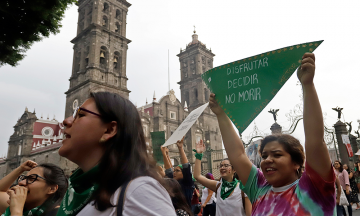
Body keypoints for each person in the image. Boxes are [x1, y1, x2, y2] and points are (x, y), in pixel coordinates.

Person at [209, 53, 336, 215]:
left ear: (296, 162)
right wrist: (221, 114)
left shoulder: (313, 190)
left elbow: (315, 141)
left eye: (276, 154)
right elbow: (238, 155)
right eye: (264, 156)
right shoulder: (259, 189)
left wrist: (308, 85)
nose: (268, 160)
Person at [58, 91, 175, 216]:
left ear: (109, 130)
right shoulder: (80, 189)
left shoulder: (139, 192)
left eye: (80, 115)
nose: (66, 121)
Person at [194, 140, 251, 216]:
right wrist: (199, 155)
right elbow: (197, 176)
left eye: (226, 166)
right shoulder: (218, 186)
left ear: (234, 170)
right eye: (221, 166)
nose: (222, 168)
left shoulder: (243, 189)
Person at [0, 160, 68, 216]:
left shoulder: (59, 214)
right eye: (24, 178)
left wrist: (17, 210)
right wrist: (20, 169)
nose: (21, 183)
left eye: (32, 179)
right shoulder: (23, 208)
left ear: (52, 189)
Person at [161, 138, 194, 208]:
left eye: (177, 171)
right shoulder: (173, 182)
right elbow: (169, 170)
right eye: (174, 170)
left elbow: (186, 166)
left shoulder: (187, 183)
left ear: (184, 173)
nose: (174, 173)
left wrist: (180, 148)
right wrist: (165, 154)